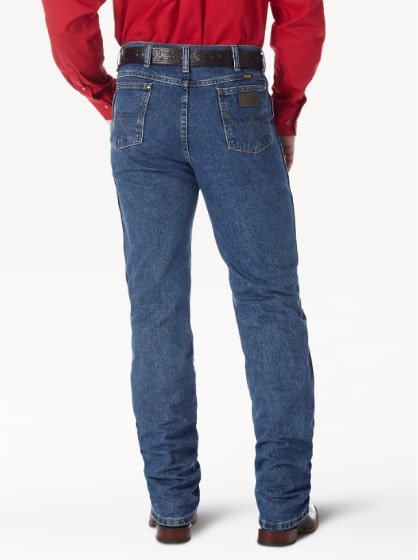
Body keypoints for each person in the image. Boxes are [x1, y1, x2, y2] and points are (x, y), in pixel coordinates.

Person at [41, 0, 326, 546]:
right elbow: (302, 17)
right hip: (236, 92)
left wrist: (103, 90)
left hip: (142, 93)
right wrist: (286, 110)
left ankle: (171, 507)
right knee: (269, 300)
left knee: (156, 305)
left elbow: (66, 10)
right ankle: (283, 510)